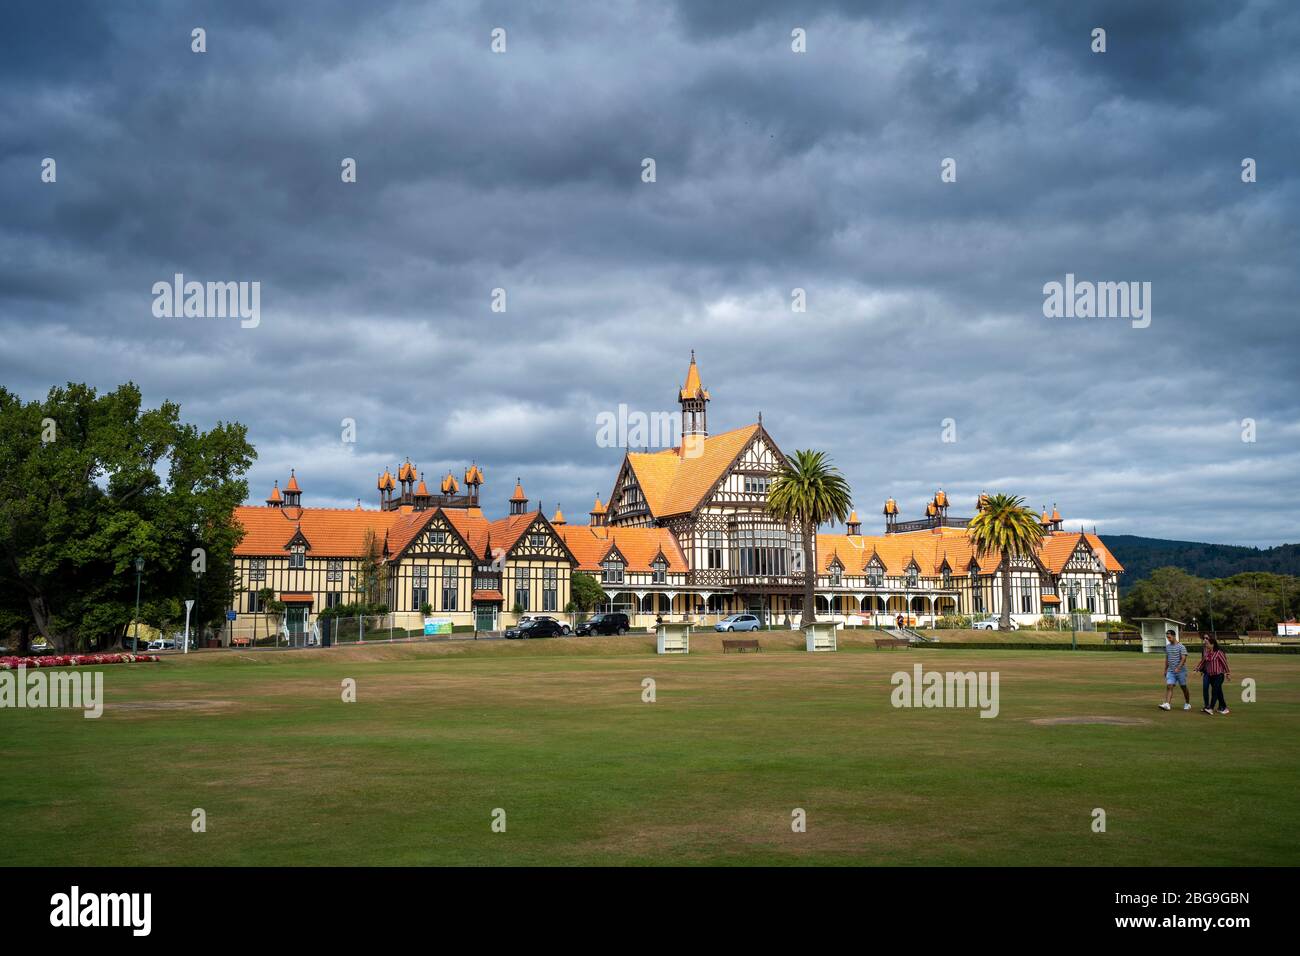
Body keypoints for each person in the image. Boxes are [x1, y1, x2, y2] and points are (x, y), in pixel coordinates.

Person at [1195, 634, 1231, 715]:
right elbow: (1202, 662)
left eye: (1208, 644)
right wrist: (1197, 669)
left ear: (1212, 644)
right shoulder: (1207, 653)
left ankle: (1210, 708)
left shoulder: (1219, 653)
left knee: (1214, 691)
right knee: (1218, 692)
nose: (1206, 645)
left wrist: (1227, 673)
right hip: (1211, 676)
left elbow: (1224, 663)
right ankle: (1224, 707)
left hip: (1219, 675)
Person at [1159, 629, 1191, 711]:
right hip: (1171, 671)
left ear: (1174, 636)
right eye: (1167, 637)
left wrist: (1178, 668)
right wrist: (1165, 669)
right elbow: (1167, 658)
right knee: (1169, 686)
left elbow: (1184, 659)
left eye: (1169, 637)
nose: (1168, 639)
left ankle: (1187, 703)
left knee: (1183, 687)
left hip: (1181, 671)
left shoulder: (1181, 646)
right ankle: (1167, 704)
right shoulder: (1168, 647)